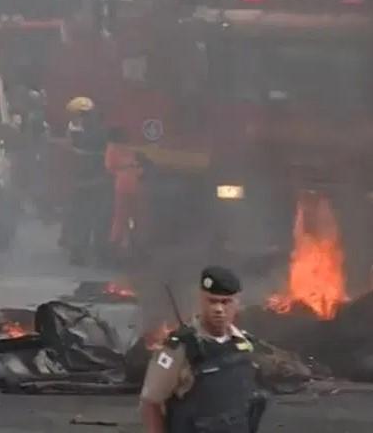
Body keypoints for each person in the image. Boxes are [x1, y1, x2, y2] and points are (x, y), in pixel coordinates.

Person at [140, 267, 266, 433]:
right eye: (212, 301)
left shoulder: (244, 345)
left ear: (237, 303)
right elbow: (151, 403)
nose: (219, 309)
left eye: (225, 302)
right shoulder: (179, 347)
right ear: (201, 300)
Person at [61, 96, 111, 265]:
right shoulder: (97, 132)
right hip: (94, 183)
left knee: (84, 219)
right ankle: (96, 252)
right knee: (95, 219)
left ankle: (81, 252)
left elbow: (78, 154)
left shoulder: (89, 135)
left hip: (89, 183)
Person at [105, 127, 145, 253]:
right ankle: (121, 242)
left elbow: (110, 167)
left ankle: (119, 242)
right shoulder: (123, 150)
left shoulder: (115, 149)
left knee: (122, 216)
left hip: (124, 186)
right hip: (130, 186)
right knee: (126, 216)